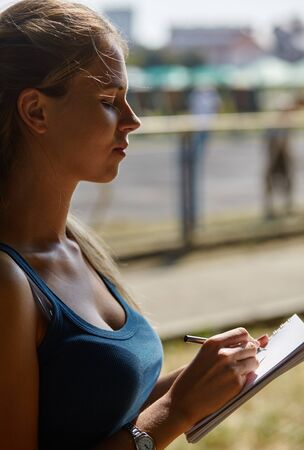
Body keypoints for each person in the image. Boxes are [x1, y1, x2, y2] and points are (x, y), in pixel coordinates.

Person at [0, 1, 268, 449]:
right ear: (36, 111)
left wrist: (203, 377)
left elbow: (96, 410)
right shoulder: (8, 281)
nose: (133, 120)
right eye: (108, 101)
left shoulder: (74, 243)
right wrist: (175, 411)